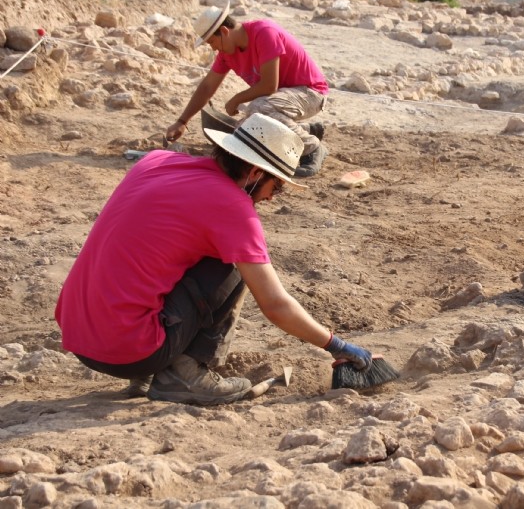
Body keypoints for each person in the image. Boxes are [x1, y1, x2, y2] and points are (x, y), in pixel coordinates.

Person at [55, 114, 372, 405]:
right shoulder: (232, 207)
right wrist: (336, 345)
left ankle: (151, 374)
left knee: (175, 254)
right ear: (254, 173)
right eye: (276, 187)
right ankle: (185, 374)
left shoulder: (156, 161)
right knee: (237, 262)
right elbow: (274, 303)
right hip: (128, 350)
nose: (272, 198)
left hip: (78, 335)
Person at [165, 2, 329, 177]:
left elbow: (269, 85)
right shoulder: (227, 54)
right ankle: (305, 129)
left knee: (258, 108)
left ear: (225, 32)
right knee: (243, 129)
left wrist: (236, 99)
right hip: (281, 100)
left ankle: (312, 148)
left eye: (212, 42)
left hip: (310, 93)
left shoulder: (264, 32)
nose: (213, 48)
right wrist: (182, 121)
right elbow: (207, 86)